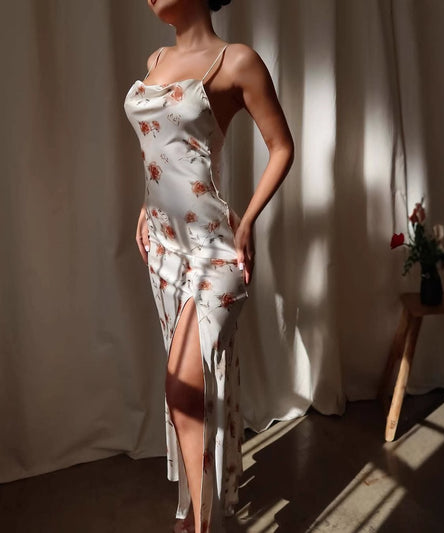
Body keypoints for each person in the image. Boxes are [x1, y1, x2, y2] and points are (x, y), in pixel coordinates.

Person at [124, 1, 294, 531]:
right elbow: (164, 151)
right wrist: (148, 205)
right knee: (193, 393)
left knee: (182, 388)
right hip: (163, 248)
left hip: (213, 248)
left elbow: (281, 147)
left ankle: (202, 525)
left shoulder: (236, 61)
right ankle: (201, 510)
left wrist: (248, 223)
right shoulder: (156, 61)